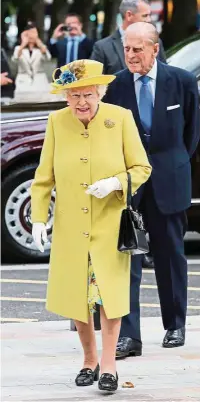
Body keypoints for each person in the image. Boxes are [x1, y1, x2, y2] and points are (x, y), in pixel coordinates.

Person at [30, 59, 151, 391]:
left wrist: (115, 183)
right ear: (66, 97)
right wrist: (39, 218)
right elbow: (44, 179)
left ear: (100, 92)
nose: (81, 102)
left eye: (87, 94)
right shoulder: (56, 122)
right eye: (73, 96)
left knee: (108, 297)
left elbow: (142, 168)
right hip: (71, 227)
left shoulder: (120, 119)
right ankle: (88, 360)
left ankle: (109, 365)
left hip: (110, 224)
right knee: (78, 298)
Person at [103, 22, 200, 358]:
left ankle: (175, 324)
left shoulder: (182, 82)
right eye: (127, 49)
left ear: (154, 48)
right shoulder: (115, 85)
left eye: (137, 49)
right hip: (128, 184)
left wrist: (171, 165)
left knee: (170, 254)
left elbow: (190, 136)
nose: (130, 55)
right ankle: (129, 336)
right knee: (125, 258)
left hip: (168, 180)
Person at [90, 0, 166, 74]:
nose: (149, 20)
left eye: (149, 15)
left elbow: (164, 75)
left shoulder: (155, 42)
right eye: (145, 16)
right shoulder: (102, 48)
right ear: (129, 15)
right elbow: (94, 83)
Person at [12, 22, 51, 102]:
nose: (31, 35)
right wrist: (23, 44)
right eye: (29, 33)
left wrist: (39, 43)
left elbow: (48, 58)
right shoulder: (18, 48)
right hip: (23, 81)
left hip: (40, 81)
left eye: (33, 32)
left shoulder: (41, 48)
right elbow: (15, 59)